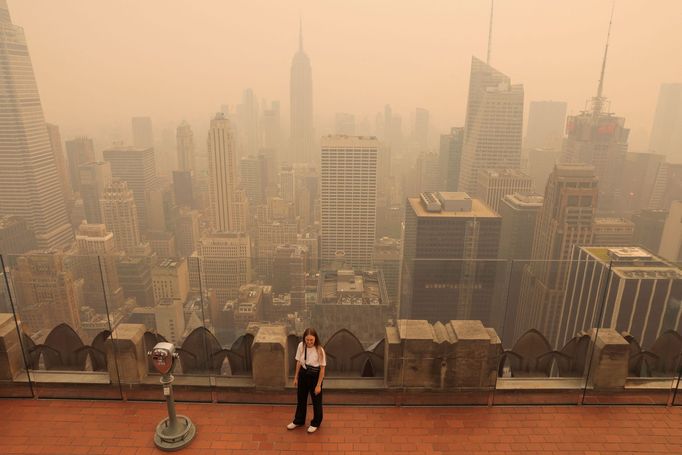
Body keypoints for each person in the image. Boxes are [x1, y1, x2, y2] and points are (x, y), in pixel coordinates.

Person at [286, 327, 326, 433]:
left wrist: (318, 385)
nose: (309, 342)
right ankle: (299, 420)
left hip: (315, 376)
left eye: (311, 340)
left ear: (315, 339)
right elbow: (299, 362)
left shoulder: (320, 350)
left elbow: (322, 369)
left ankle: (316, 423)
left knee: (316, 401)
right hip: (303, 374)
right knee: (301, 399)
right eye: (307, 340)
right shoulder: (301, 345)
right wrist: (296, 377)